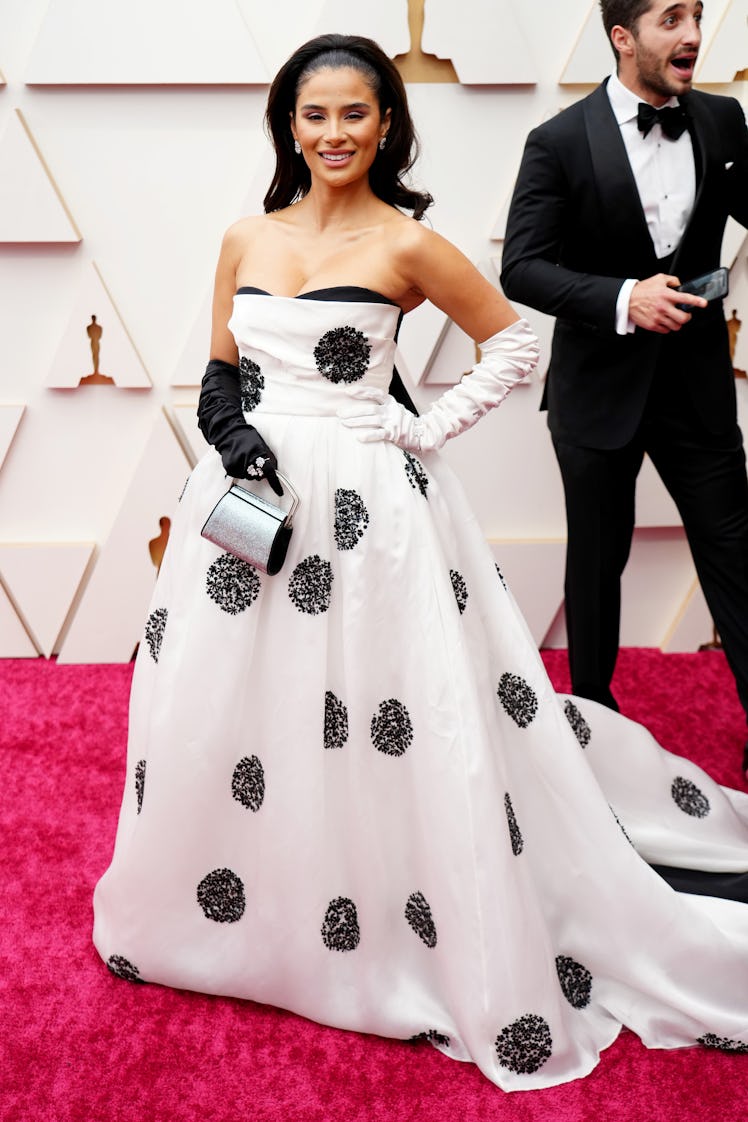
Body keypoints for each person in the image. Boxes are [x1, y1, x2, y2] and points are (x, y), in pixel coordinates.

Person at [94, 33, 748, 1092]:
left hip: (366, 509)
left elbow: (512, 340)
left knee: (380, 704)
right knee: (222, 703)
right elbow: (219, 368)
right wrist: (233, 432)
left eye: (354, 114)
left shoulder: (407, 244)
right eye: (314, 116)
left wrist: (425, 430)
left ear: (387, 123)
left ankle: (385, 906)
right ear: (288, 127)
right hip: (249, 505)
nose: (334, 133)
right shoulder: (243, 235)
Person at [501, 0, 748, 775]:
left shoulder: (721, 119)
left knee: (736, 556)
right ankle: (592, 740)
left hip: (699, 389)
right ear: (622, 35)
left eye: (698, 16)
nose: (692, 36)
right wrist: (622, 298)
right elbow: (523, 267)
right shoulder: (558, 141)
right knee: (597, 563)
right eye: (671, 18)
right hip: (598, 393)